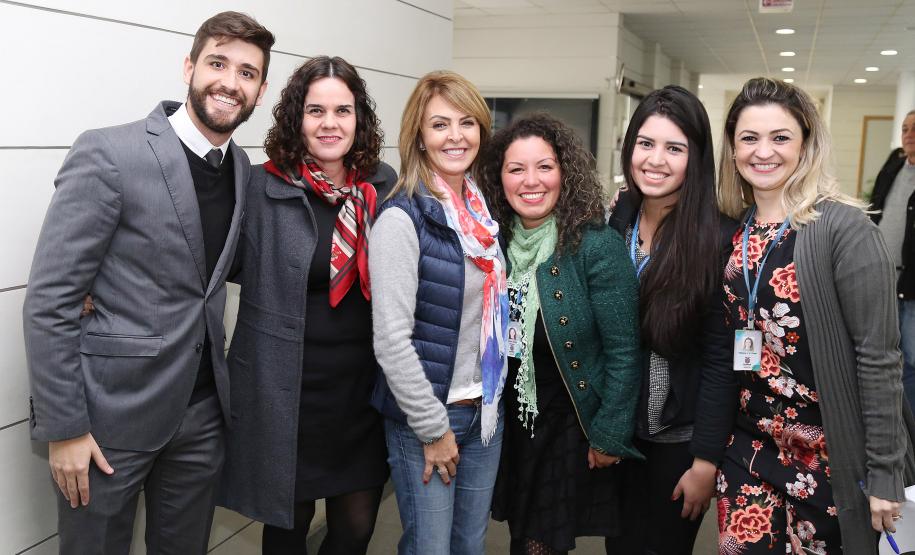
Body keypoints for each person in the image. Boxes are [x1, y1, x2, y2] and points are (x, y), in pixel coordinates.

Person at [22, 12, 273, 553]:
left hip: (204, 414)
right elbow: (50, 300)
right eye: (218, 63)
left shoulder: (241, 168)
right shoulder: (111, 152)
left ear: (260, 90)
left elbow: (210, 272)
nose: (231, 82)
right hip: (108, 420)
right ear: (189, 66)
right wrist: (64, 427)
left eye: (247, 73)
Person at [698, 77, 915, 554]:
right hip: (750, 446)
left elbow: (879, 361)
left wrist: (885, 472)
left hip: (829, 456)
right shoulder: (736, 231)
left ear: (806, 145)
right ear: (732, 150)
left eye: (781, 137)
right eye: (749, 138)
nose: (763, 152)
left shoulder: (846, 230)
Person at [217, 56, 396, 554]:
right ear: (297, 117)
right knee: (286, 529)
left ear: (359, 118)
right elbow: (206, 258)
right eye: (316, 110)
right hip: (285, 394)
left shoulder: (383, 185)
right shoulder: (260, 185)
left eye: (342, 110)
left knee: (356, 528)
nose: (329, 123)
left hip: (360, 394)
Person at [479, 113, 642, 555]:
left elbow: (626, 350)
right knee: (520, 535)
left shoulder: (595, 246)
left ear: (565, 174)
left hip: (568, 422)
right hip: (511, 422)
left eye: (545, 166)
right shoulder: (490, 244)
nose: (531, 181)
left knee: (540, 544)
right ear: (500, 178)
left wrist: (609, 433)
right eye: (516, 169)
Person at [369, 70, 507, 554]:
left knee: (469, 547)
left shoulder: (483, 215)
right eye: (440, 125)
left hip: (485, 413)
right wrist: (432, 428)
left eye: (467, 122)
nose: (456, 136)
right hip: (427, 417)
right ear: (420, 138)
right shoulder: (401, 219)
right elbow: (390, 340)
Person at [604, 86, 735, 555]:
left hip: (677, 440)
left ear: (696, 158)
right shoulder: (616, 220)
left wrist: (705, 461)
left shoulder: (718, 240)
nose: (655, 160)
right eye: (646, 143)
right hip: (617, 431)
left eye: (674, 148)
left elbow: (722, 361)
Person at [870, 110, 915, 412]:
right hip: (883, 279)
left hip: (912, 287)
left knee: (911, 358)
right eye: (905, 128)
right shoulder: (894, 165)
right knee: (883, 354)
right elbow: (875, 209)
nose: (909, 134)